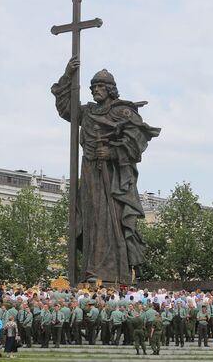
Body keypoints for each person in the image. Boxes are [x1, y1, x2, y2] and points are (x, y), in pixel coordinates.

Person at [51, 57, 161, 284]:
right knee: (90, 220)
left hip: (112, 176)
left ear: (111, 89)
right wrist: (67, 76)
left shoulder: (122, 112)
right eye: (93, 87)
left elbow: (138, 141)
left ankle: (111, 274)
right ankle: (92, 269)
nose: (95, 91)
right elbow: (65, 109)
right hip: (90, 171)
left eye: (100, 86)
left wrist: (112, 153)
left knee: (110, 222)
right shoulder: (88, 113)